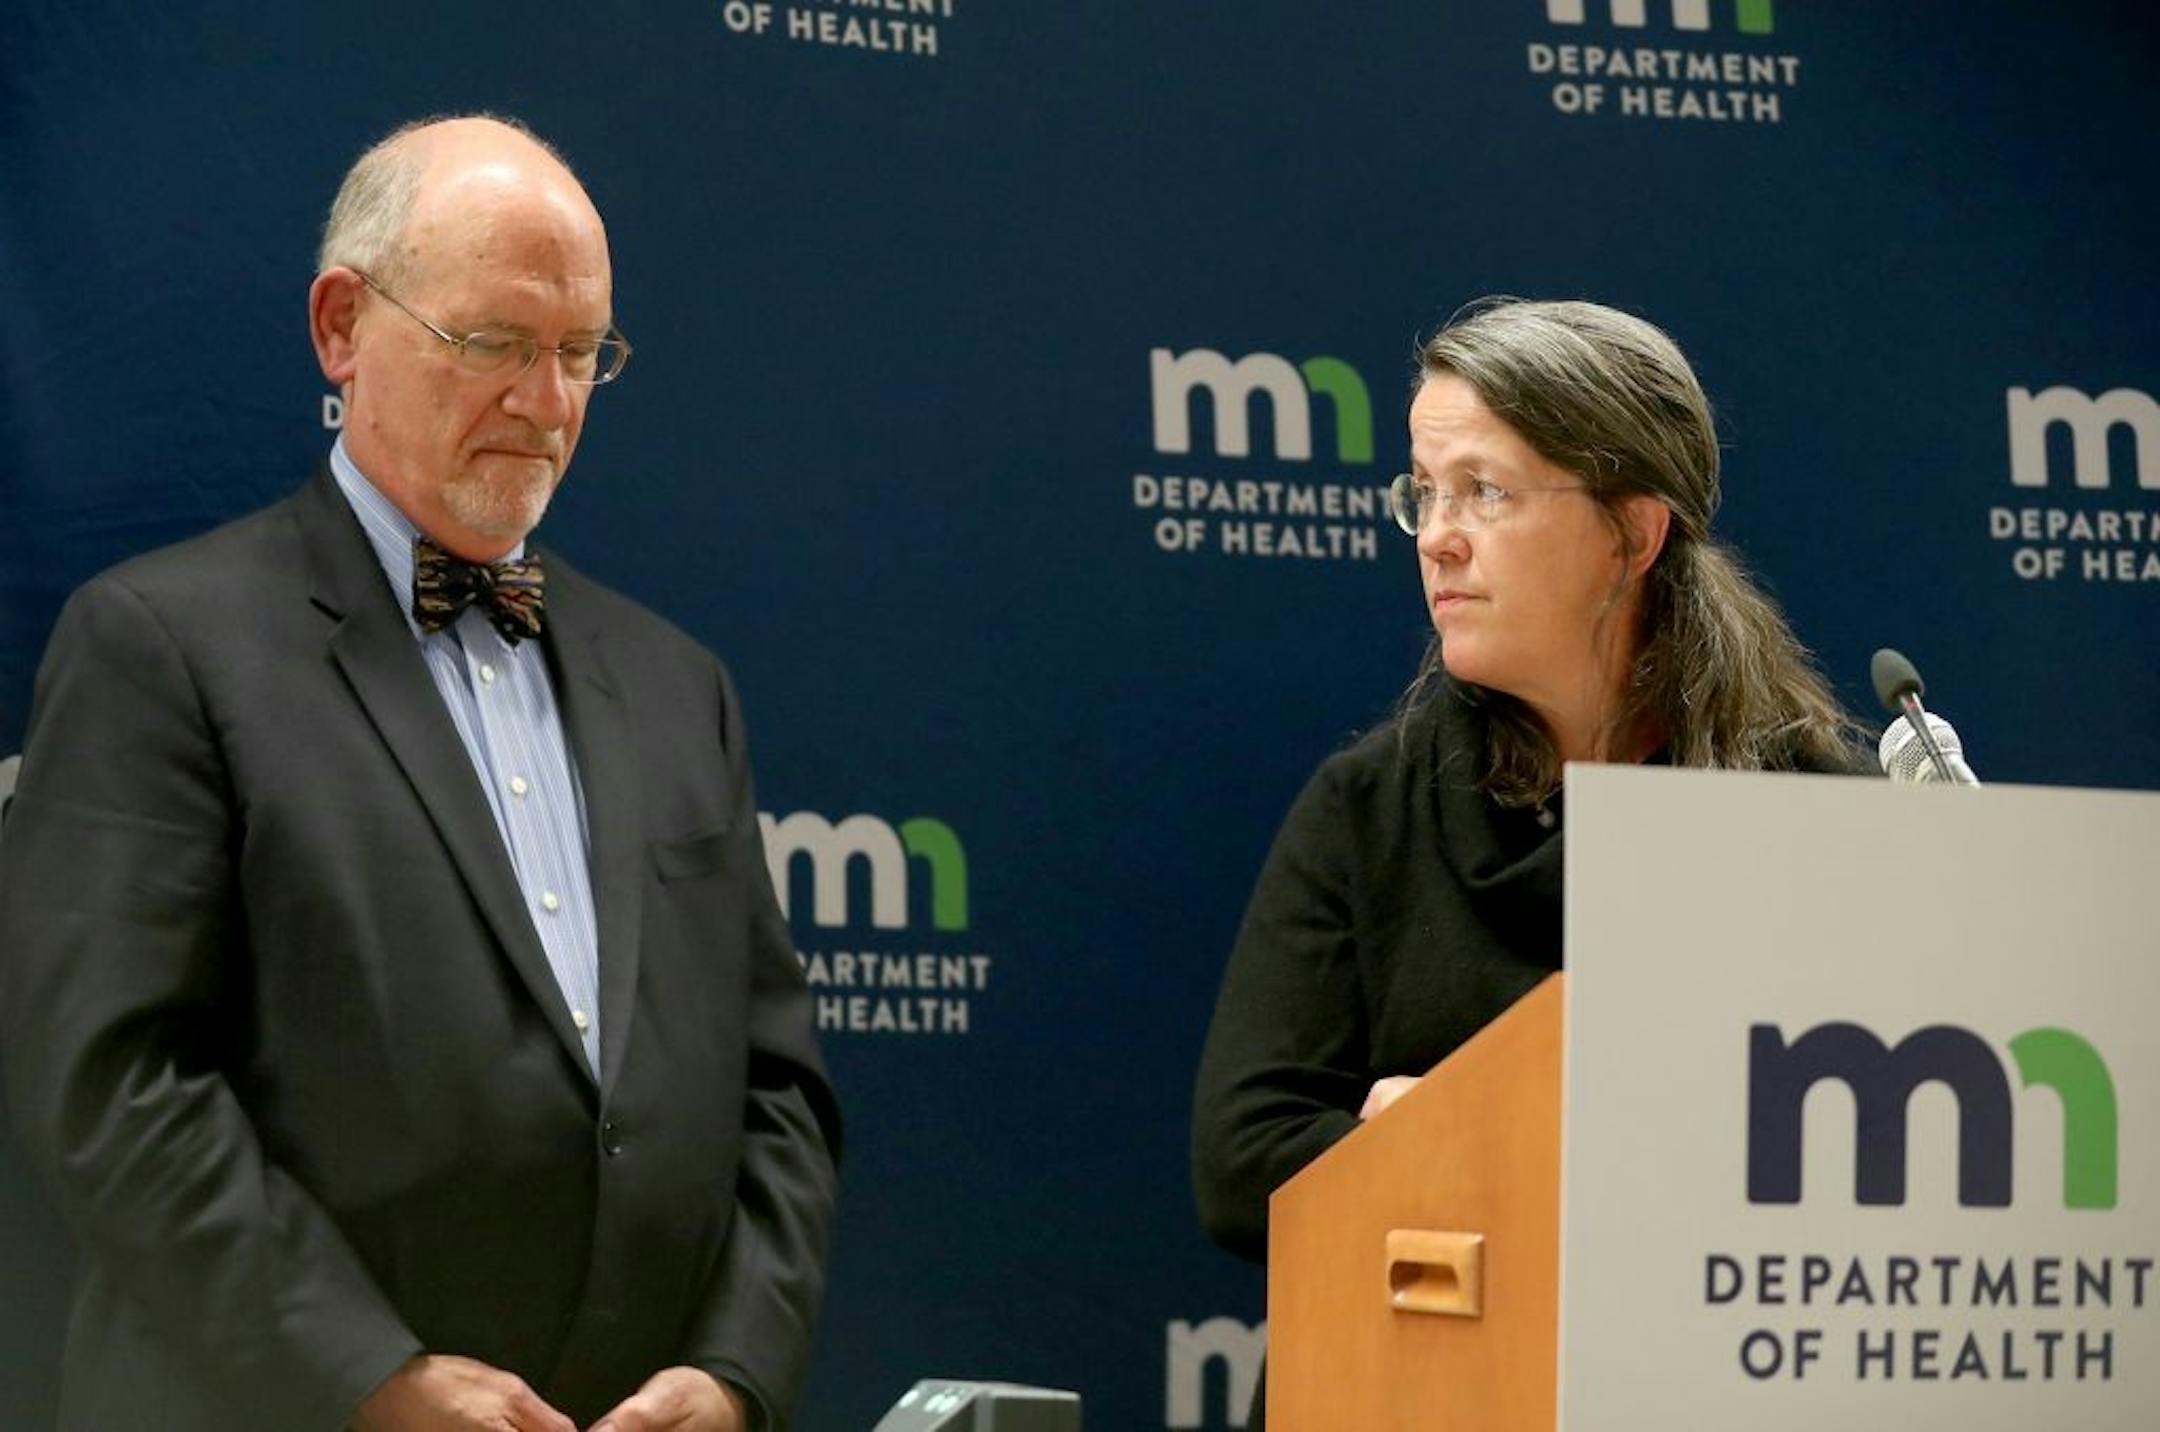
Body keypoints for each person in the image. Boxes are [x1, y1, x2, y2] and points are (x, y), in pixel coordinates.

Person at [0, 115, 839, 1432]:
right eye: (494, 343)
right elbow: (109, 1083)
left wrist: (735, 1374)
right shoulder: (160, 645)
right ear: (342, 326)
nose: (548, 404)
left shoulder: (682, 689)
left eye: (579, 354)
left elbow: (777, 1091)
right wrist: (365, 1376)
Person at [1189, 297, 1863, 1428]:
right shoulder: (1368, 807)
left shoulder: (1809, 819)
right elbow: (1245, 1164)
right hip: (1403, 1388)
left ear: (1634, 534)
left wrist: (1437, 1133)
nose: (1438, 536)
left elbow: (1860, 1170)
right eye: (1425, 491)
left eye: (1486, 493)